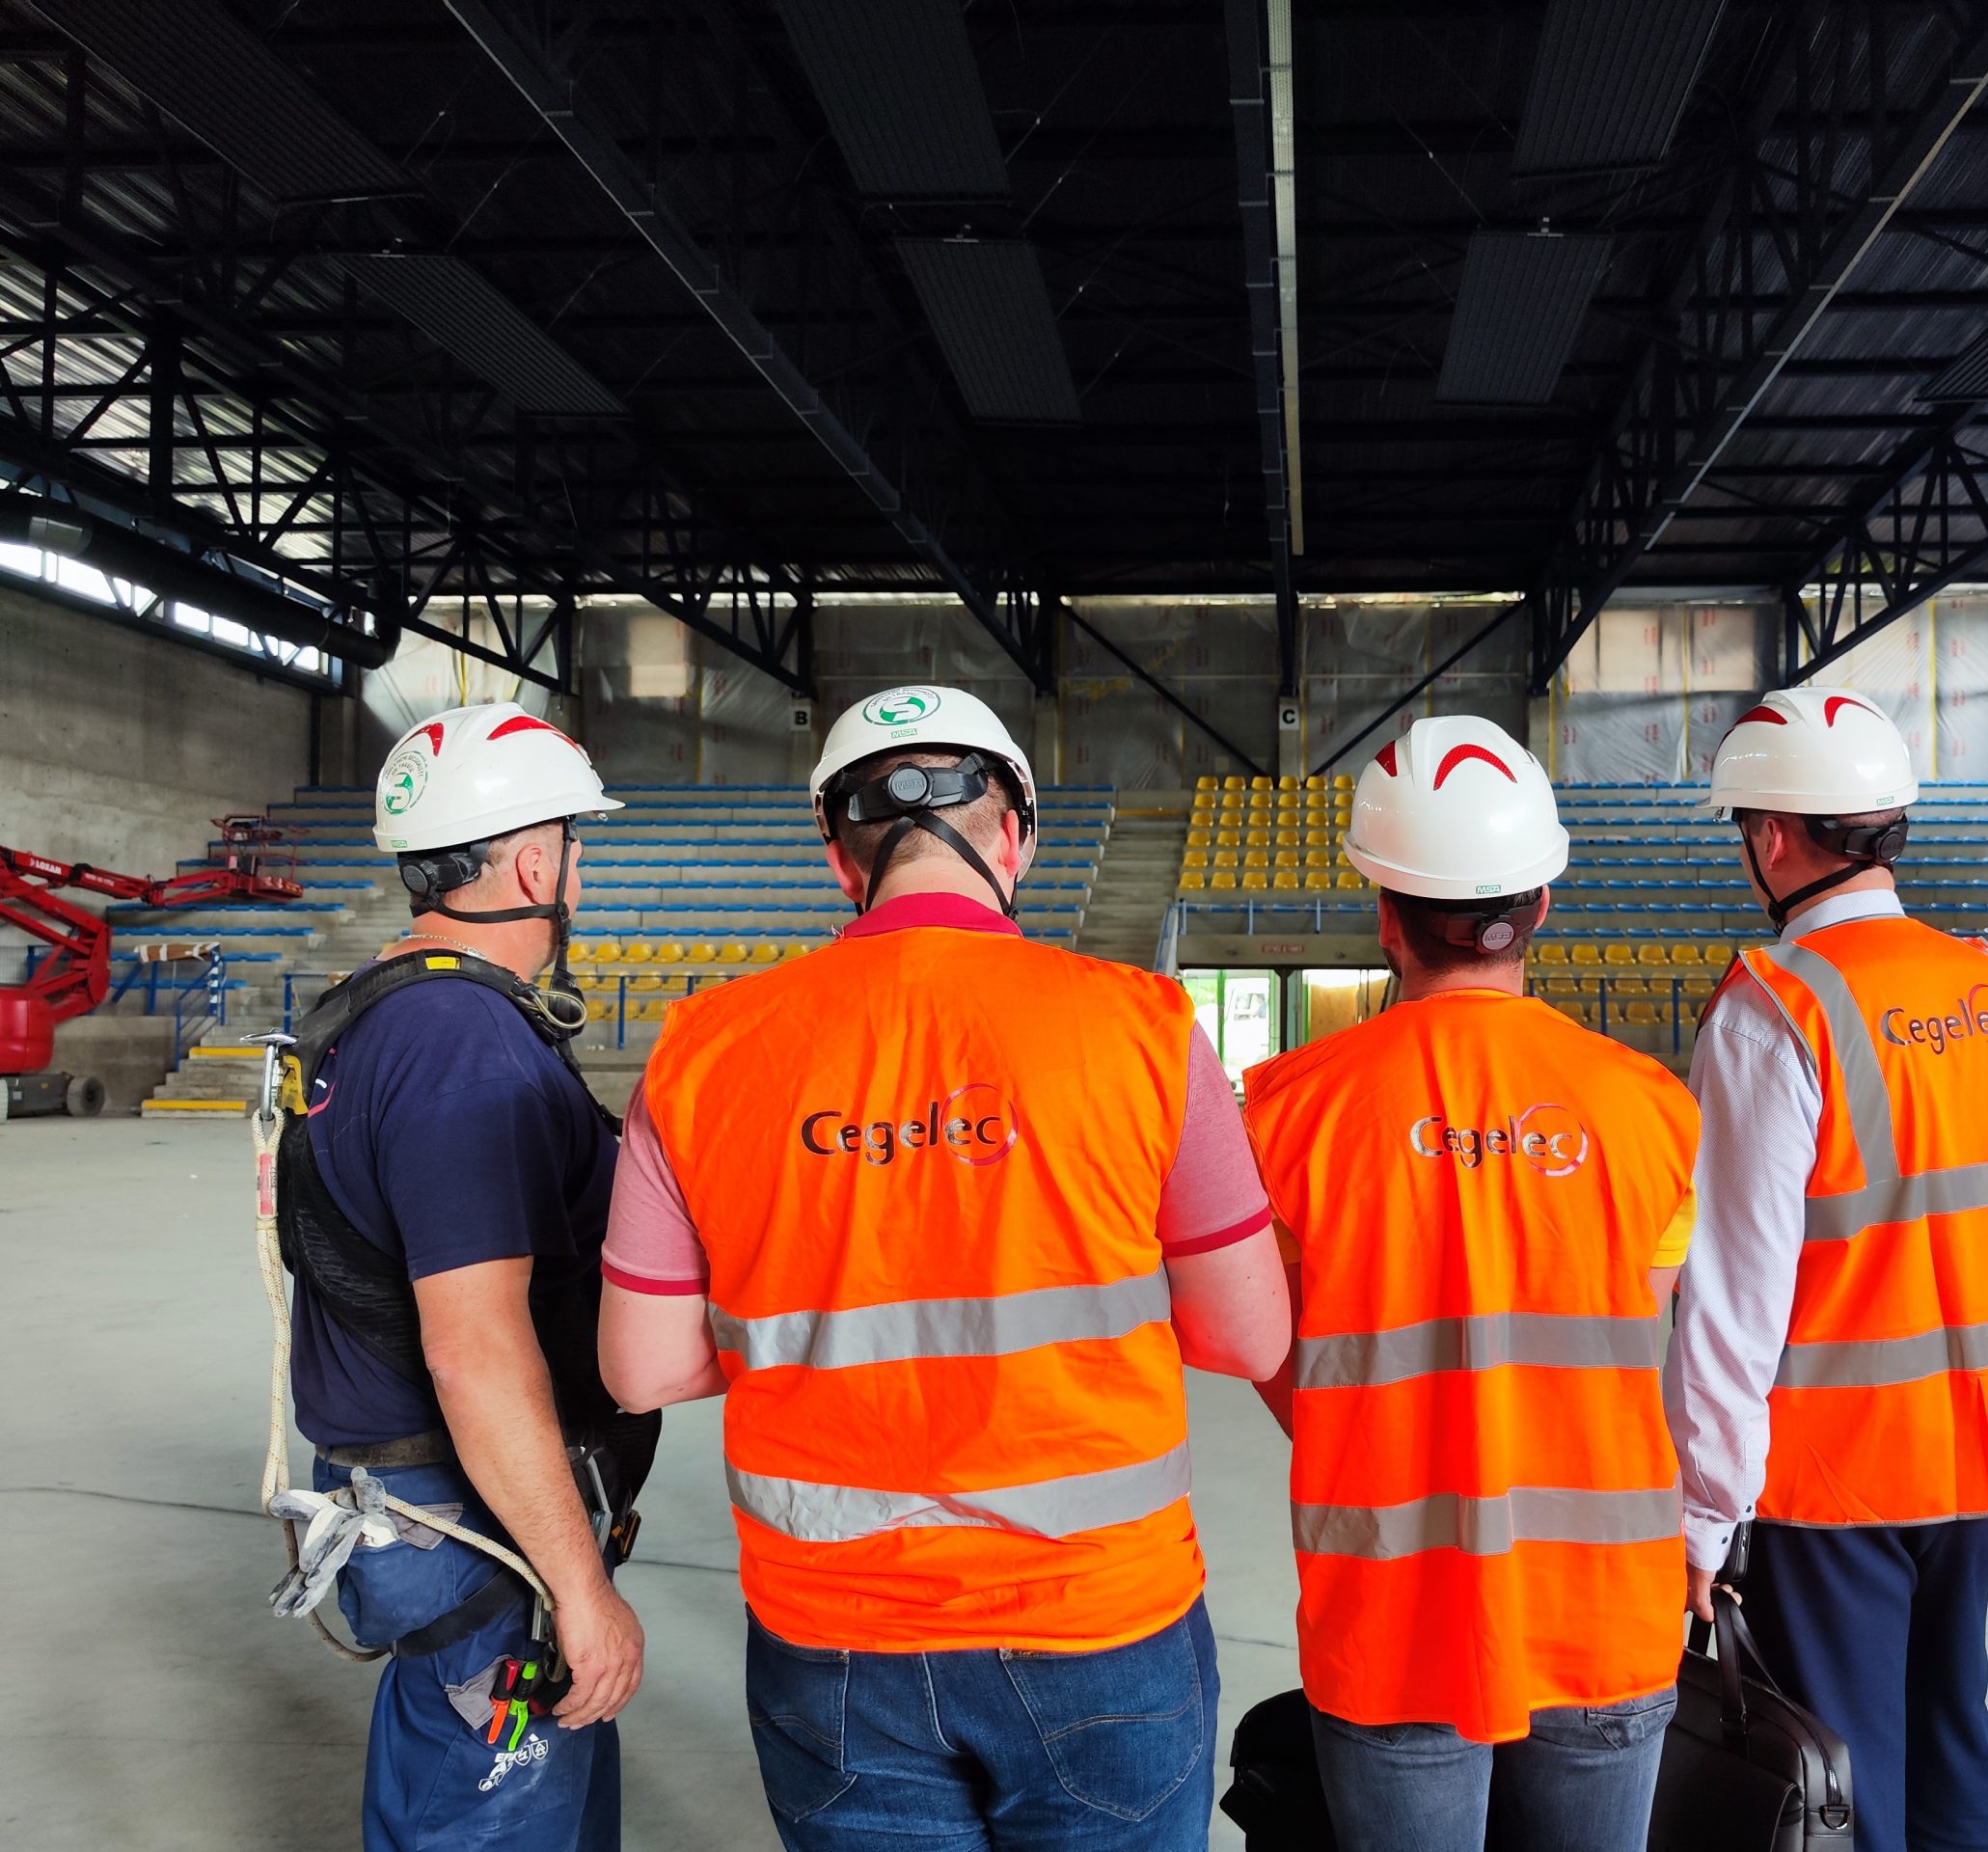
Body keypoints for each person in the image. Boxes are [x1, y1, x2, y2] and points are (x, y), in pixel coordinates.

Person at [593, 683, 1292, 1851]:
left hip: (834, 1637)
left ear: (837, 857)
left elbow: (642, 1368)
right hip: (1100, 1619)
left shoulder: (704, 1048)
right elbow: (1248, 1338)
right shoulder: (1144, 1027)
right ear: (1013, 831)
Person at [1240, 715, 1702, 1852]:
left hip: (1389, 1611)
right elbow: (1634, 1332)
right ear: (1540, 904)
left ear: (1384, 914)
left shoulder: (1283, 1109)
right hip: (1602, 1600)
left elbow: (1266, 1346)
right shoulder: (1649, 1104)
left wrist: (1363, 1434)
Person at [1665, 686, 1988, 1852]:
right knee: (1952, 1736)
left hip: (1840, 1475)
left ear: (1773, 837)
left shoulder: (1775, 1011)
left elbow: (1734, 1299)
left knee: (1841, 1776)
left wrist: (1703, 1517)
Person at [281, 703, 655, 1850]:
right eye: (575, 844)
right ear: (536, 861)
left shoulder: (382, 1013)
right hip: (472, 1536)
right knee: (491, 1812)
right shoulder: (459, 1043)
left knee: (460, 1783)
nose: (578, 868)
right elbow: (474, 1343)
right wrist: (579, 1592)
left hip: (427, 1525)